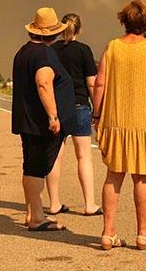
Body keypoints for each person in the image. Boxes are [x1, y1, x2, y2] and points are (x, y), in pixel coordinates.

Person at [92, 0, 146, 250]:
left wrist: (97, 115)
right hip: (143, 121)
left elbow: (99, 84)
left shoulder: (112, 47)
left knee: (113, 176)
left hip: (115, 119)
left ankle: (108, 233)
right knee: (142, 178)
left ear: (123, 21)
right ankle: (144, 234)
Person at [11, 7, 76, 232]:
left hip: (27, 121)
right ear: (53, 33)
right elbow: (43, 83)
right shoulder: (44, 54)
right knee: (38, 168)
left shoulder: (23, 52)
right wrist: (53, 116)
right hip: (40, 123)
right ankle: (37, 218)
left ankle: (32, 213)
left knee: (30, 167)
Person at [44, 13, 101, 216]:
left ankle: (54, 204)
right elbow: (92, 83)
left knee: (55, 157)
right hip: (79, 107)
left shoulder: (51, 51)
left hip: (57, 109)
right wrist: (98, 110)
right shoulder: (84, 51)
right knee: (84, 156)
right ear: (80, 29)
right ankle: (89, 205)